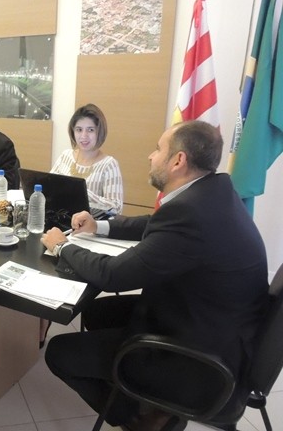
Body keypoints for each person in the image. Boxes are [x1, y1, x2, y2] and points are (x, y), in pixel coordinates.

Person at [41, 121, 269, 430]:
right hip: (211, 326)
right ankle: (143, 398)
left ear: (178, 160)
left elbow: (112, 275)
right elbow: (155, 223)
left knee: (59, 352)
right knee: (96, 311)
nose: (151, 156)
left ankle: (141, 419)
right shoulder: (210, 193)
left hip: (200, 359)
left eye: (158, 149)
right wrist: (101, 226)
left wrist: (62, 246)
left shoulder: (192, 214)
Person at [51, 103, 123, 215]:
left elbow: (116, 208)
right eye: (79, 130)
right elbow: (49, 187)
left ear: (99, 132)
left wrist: (82, 192)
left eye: (90, 130)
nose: (84, 136)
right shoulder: (65, 156)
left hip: (90, 224)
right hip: (60, 218)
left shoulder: (109, 164)